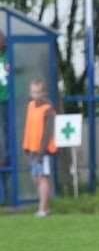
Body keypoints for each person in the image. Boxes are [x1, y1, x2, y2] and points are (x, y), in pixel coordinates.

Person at [22, 79, 57, 217]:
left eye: (38, 92)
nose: (35, 95)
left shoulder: (48, 109)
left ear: (44, 93)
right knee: (36, 177)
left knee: (42, 177)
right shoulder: (30, 106)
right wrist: (26, 147)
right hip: (32, 149)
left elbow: (47, 132)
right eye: (33, 92)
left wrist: (41, 152)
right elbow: (29, 128)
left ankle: (43, 209)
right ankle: (45, 207)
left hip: (43, 151)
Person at [0, 30, 10, 166]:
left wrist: (13, 68)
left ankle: (8, 159)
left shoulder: (10, 53)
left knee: (8, 129)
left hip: (8, 99)